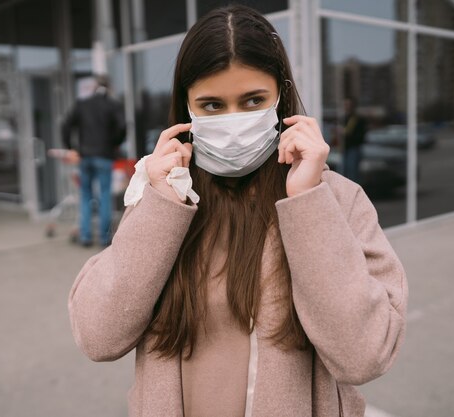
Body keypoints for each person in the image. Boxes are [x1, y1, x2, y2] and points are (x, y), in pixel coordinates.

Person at [68, 6, 407, 417]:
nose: (233, 122)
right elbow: (98, 336)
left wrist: (306, 201)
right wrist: (160, 205)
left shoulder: (336, 200)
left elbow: (364, 356)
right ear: (187, 109)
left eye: (252, 101)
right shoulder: (167, 196)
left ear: (280, 98)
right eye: (211, 105)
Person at [62, 75, 126, 247]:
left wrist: (71, 148)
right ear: (109, 87)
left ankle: (86, 236)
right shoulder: (113, 105)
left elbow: (66, 125)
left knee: (86, 196)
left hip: (85, 156)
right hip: (104, 156)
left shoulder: (83, 104)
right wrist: (114, 144)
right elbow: (122, 127)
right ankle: (105, 239)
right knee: (105, 196)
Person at [342, 97, 367, 184]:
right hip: (345, 148)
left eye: (347, 105)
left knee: (352, 173)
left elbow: (358, 135)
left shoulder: (356, 119)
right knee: (345, 172)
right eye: (345, 105)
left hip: (353, 148)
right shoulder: (344, 118)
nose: (346, 107)